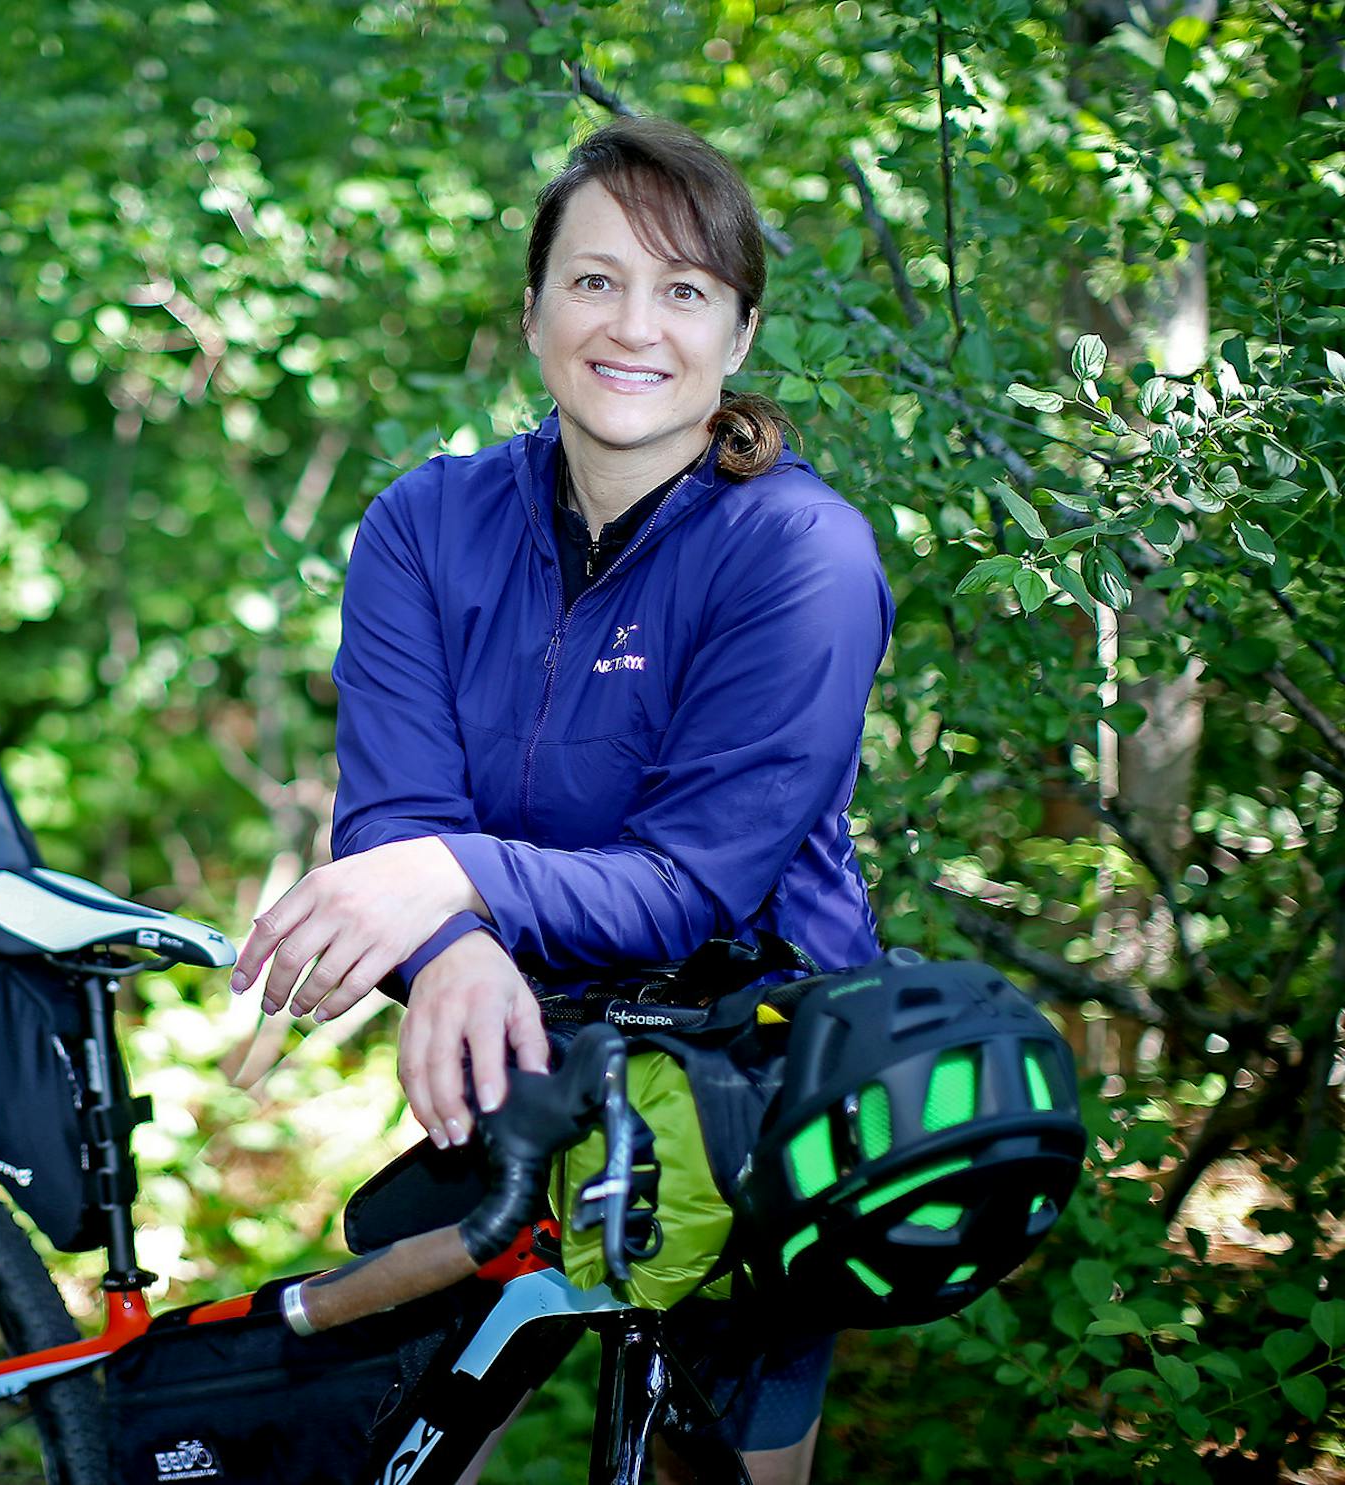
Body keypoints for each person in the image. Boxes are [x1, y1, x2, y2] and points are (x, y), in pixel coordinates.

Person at [230, 114, 893, 1483]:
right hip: (515, 1052)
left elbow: (697, 878)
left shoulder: (800, 551)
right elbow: (392, 815)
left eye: (683, 289)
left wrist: (448, 877)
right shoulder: (424, 523)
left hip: (753, 1080)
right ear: (533, 309)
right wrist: (455, 940)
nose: (632, 324)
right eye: (595, 279)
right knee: (401, 1449)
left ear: (740, 335)